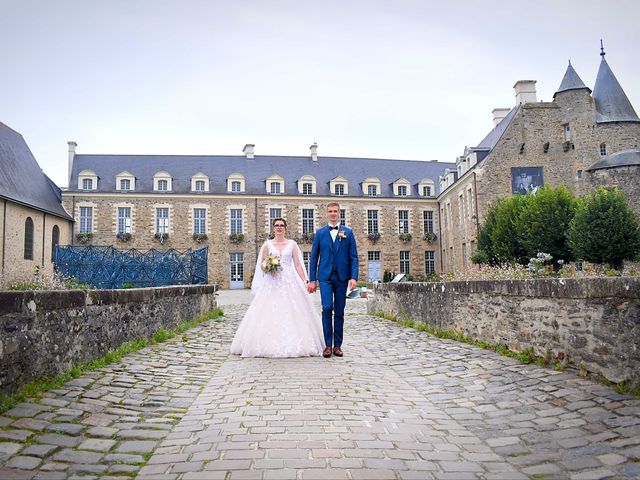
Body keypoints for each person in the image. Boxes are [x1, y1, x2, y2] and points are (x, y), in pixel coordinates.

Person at [230, 218, 324, 357]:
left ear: (285, 228)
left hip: (289, 280)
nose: (279, 228)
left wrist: (305, 280)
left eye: (281, 225)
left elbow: (298, 264)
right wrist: (268, 267)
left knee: (295, 310)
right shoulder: (267, 245)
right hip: (272, 281)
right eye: (277, 226)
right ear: (273, 228)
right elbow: (262, 264)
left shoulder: (292, 244)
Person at [308, 202, 359, 358]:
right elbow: (314, 257)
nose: (333, 213)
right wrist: (312, 279)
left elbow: (353, 257)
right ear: (327, 213)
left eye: (335, 211)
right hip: (325, 277)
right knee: (327, 307)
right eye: (330, 211)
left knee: (339, 311)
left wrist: (353, 277)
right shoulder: (320, 233)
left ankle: (337, 346)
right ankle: (327, 346)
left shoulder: (348, 233)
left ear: (339, 212)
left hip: (342, 278)